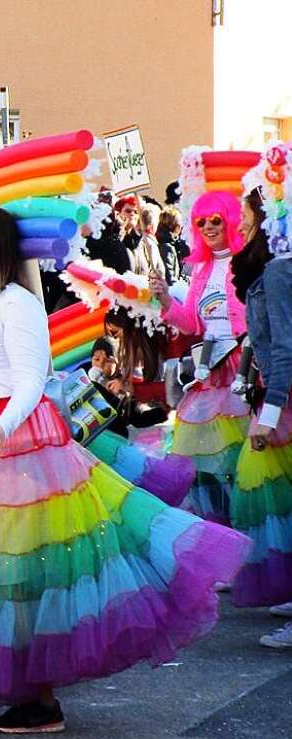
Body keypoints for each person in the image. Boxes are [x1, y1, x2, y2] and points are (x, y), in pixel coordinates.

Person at [0, 200, 248, 734]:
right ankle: (16, 682)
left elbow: (31, 378)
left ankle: (39, 698)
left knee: (19, 569)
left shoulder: (16, 302)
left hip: (17, 446)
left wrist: (5, 426)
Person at [149, 191, 250, 525]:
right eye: (201, 222)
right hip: (209, 370)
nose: (208, 227)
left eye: (215, 220)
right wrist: (164, 300)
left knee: (243, 460)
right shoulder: (202, 269)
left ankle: (248, 524)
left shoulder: (247, 261)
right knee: (202, 461)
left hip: (242, 367)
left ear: (231, 220)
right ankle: (223, 530)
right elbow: (192, 321)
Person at [227, 189, 292, 636]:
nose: (240, 229)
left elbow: (287, 348)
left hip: (284, 403)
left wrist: (269, 414)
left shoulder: (277, 271)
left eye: (247, 220)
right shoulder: (268, 271)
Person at [157, 206, 185, 284]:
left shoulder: (162, 241)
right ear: (176, 227)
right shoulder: (167, 246)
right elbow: (169, 277)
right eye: (180, 226)